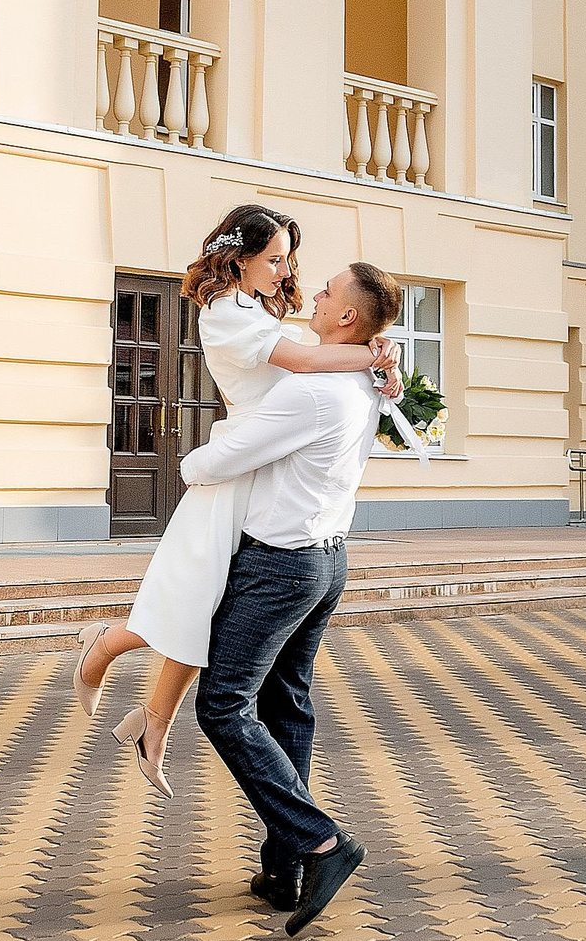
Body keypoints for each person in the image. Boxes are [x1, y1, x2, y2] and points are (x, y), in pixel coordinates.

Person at [69, 206, 399, 796]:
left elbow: (316, 353)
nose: (285, 269)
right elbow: (302, 360)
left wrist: (380, 360)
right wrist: (374, 358)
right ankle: (107, 648)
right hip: (238, 468)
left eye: (287, 258)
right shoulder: (226, 312)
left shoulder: (257, 307)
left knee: (200, 608)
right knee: (191, 604)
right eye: (274, 258)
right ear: (240, 257)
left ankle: (152, 726)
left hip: (260, 467)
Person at [187, 260, 404, 935]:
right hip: (327, 560)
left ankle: (321, 842)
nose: (313, 291)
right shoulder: (362, 379)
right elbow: (388, 395)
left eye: (329, 290)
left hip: (279, 566)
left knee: (222, 704)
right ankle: (285, 868)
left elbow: (214, 463)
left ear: (345, 318)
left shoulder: (317, 390)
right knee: (286, 705)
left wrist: (194, 456)